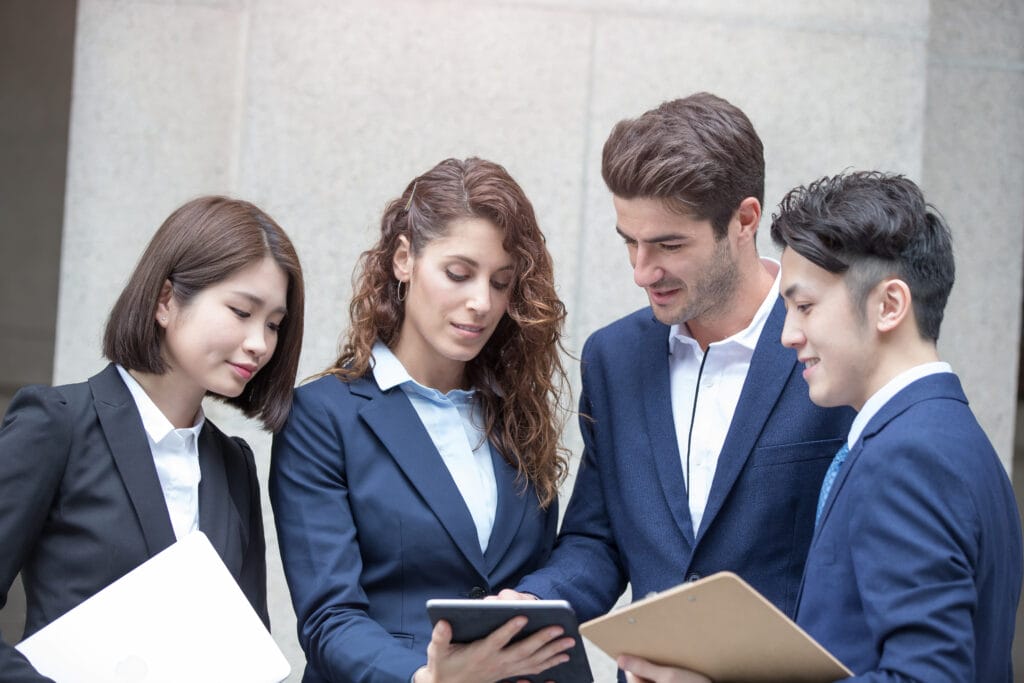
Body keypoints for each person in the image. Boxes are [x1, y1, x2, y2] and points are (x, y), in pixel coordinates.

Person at [619, 171, 1024, 682]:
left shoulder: (910, 456)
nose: (788, 335)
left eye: (805, 306)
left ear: (889, 305)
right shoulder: (951, 437)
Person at [502, 93, 855, 628]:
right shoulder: (612, 358)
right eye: (630, 243)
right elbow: (598, 539)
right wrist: (532, 603)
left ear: (744, 219)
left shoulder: (831, 349)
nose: (642, 272)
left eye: (668, 245)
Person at [270, 157, 576, 683]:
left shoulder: (516, 414)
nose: (481, 302)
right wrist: (429, 678)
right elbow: (329, 619)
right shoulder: (323, 417)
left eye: (501, 283)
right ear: (404, 259)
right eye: (458, 274)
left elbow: (535, 578)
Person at [0, 195, 305, 682]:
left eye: (273, 324)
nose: (260, 343)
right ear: (166, 301)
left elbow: (247, 648)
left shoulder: (234, 464)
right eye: (241, 312)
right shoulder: (57, 425)